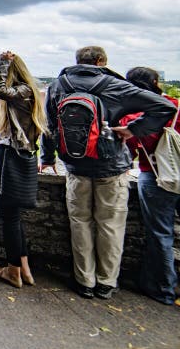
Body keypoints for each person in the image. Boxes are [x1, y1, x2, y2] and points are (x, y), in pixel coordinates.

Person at [39, 46, 175, 300]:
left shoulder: (59, 85)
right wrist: (134, 129)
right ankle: (106, 282)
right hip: (111, 165)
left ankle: (85, 281)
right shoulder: (115, 85)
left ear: (78, 62)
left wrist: (47, 157)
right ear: (101, 61)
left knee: (80, 223)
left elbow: (50, 125)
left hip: (76, 165)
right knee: (110, 225)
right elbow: (163, 107)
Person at [120, 67, 180, 305]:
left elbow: (130, 149)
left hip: (157, 177)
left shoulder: (134, 116)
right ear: (156, 83)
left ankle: (163, 288)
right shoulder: (175, 105)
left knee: (160, 235)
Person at [0, 51, 48, 288]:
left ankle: (13, 270)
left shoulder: (21, 91)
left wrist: (3, 63)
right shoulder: (28, 93)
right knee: (14, 217)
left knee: (9, 216)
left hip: (8, 157)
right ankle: (24, 268)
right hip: (20, 156)